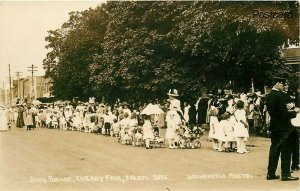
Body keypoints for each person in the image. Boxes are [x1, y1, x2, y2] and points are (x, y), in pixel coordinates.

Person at [265, 77, 299, 181]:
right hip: (284, 127)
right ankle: (286, 174)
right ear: (278, 84)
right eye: (282, 84)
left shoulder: (269, 95)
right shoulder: (281, 96)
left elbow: (275, 112)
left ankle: (271, 173)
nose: (283, 86)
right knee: (286, 151)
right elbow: (283, 114)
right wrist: (294, 112)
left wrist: (287, 109)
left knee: (274, 149)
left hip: (274, 126)